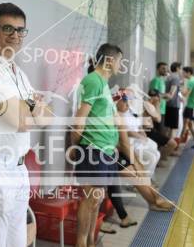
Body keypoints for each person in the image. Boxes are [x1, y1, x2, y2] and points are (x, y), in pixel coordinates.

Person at [0, 3, 49, 247]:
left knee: (17, 242)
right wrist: (32, 107)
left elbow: (47, 118)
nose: (15, 35)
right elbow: (22, 121)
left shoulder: (18, 73)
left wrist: (29, 107)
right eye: (7, 28)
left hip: (17, 169)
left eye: (20, 30)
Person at [71, 43, 123, 247]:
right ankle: (81, 243)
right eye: (119, 60)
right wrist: (75, 146)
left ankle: (92, 242)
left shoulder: (103, 84)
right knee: (90, 199)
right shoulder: (93, 81)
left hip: (106, 150)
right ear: (109, 60)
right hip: (93, 150)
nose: (120, 65)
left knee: (97, 200)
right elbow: (80, 118)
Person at [164, 62, 182, 138]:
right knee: (173, 128)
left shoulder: (169, 77)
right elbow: (171, 94)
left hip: (168, 104)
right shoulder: (176, 78)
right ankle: (170, 147)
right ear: (177, 68)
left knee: (167, 128)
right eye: (180, 68)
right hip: (173, 105)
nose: (181, 70)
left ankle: (165, 146)